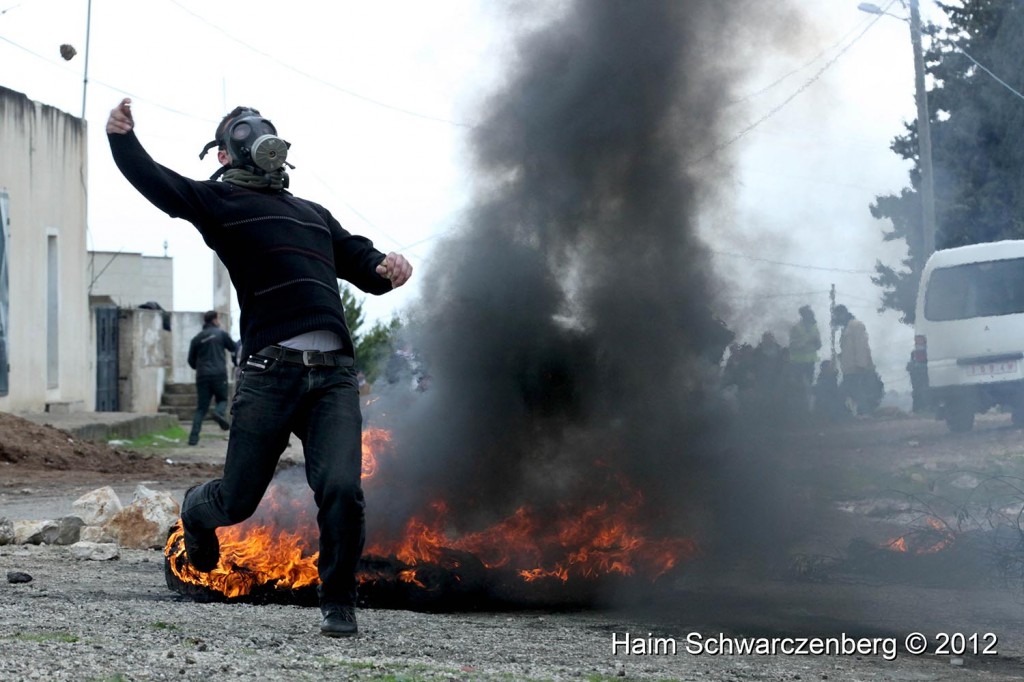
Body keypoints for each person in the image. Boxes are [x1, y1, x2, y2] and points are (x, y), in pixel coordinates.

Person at [107, 99, 412, 638]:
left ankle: (338, 600)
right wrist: (123, 140)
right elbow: (159, 184)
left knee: (342, 488)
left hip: (334, 376)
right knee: (239, 498)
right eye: (243, 132)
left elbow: (365, 267)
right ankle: (198, 513)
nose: (259, 136)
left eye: (264, 128)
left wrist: (390, 268)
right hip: (271, 374)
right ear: (224, 151)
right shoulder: (220, 202)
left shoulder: (313, 214)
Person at [186, 310, 237, 446]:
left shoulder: (196, 338)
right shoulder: (221, 334)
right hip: (219, 374)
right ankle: (218, 413)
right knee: (222, 400)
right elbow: (233, 347)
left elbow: (191, 361)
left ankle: (193, 439)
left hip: (202, 376)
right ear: (214, 320)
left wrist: (201, 368)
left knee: (201, 408)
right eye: (218, 319)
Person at [832, 304, 876, 416]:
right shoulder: (848, 327)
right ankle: (862, 412)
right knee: (854, 391)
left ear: (843, 314)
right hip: (849, 367)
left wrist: (861, 364)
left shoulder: (856, 326)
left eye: (837, 315)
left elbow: (861, 346)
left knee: (847, 391)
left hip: (855, 367)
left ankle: (840, 414)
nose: (836, 318)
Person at [787, 305, 821, 411]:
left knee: (809, 387)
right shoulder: (796, 327)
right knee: (798, 388)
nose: (812, 316)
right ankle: (798, 410)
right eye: (809, 314)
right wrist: (806, 342)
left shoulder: (814, 327)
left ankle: (808, 410)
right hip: (798, 363)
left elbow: (818, 345)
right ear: (804, 315)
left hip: (810, 362)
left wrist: (817, 343)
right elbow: (792, 345)